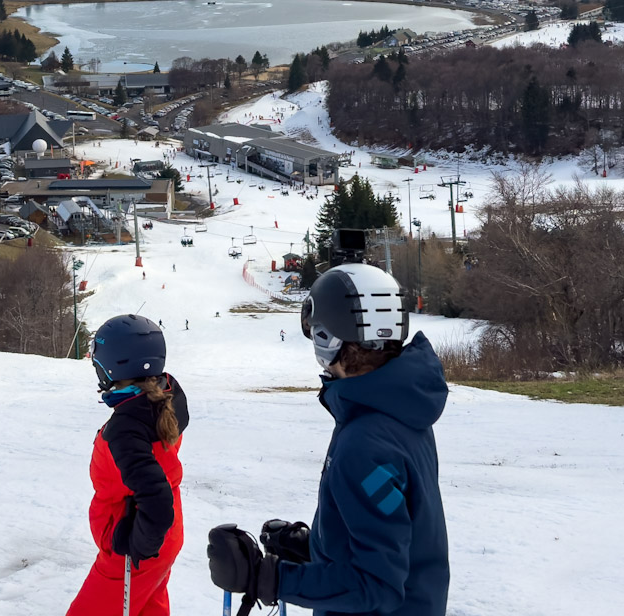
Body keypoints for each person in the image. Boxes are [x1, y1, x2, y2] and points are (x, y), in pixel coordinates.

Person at [205, 263, 449, 616]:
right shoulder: (399, 412)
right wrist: (319, 548)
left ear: (328, 337)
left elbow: (376, 584)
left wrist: (266, 578)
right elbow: (395, 534)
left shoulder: (364, 444)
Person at [67, 313, 190, 616]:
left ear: (111, 367)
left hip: (133, 551)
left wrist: (139, 544)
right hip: (163, 539)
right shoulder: (164, 400)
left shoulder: (126, 428)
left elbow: (155, 495)